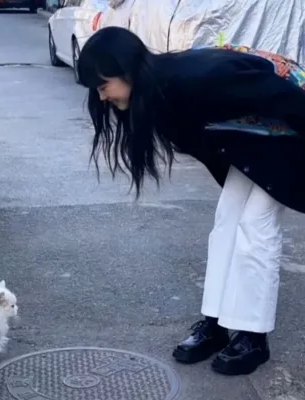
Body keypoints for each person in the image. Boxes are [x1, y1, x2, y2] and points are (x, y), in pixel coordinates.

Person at [77, 26, 305, 376]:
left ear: (126, 71)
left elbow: (282, 96)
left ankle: (253, 337)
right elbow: (215, 144)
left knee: (256, 227)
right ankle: (216, 324)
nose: (102, 96)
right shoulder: (156, 95)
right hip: (255, 138)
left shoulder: (194, 80)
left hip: (289, 128)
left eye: (103, 85)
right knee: (227, 220)